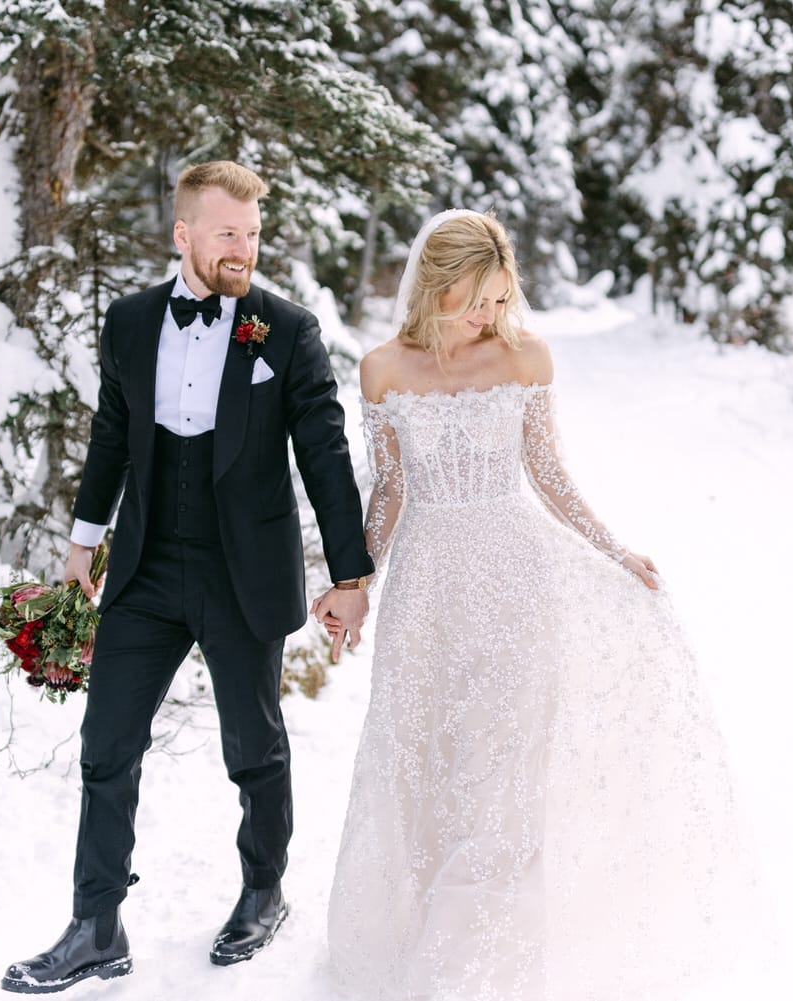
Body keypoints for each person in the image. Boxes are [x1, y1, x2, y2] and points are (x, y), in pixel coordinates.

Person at [322, 210, 757, 1000]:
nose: (487, 315)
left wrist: (613, 548)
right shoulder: (383, 368)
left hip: (517, 583)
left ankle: (472, 966)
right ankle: (420, 933)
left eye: (497, 297)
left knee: (504, 773)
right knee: (421, 762)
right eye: (473, 299)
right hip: (425, 589)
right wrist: (356, 586)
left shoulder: (526, 357)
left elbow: (548, 472)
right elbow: (387, 491)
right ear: (434, 283)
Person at [1, 161, 375, 994]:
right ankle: (96, 924)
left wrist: (350, 572)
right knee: (106, 746)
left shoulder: (285, 331)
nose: (243, 249)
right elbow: (109, 435)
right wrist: (81, 543)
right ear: (184, 236)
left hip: (243, 569)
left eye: (252, 234)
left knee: (252, 744)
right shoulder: (132, 322)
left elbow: (321, 448)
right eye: (226, 234)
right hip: (145, 566)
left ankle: (263, 889)